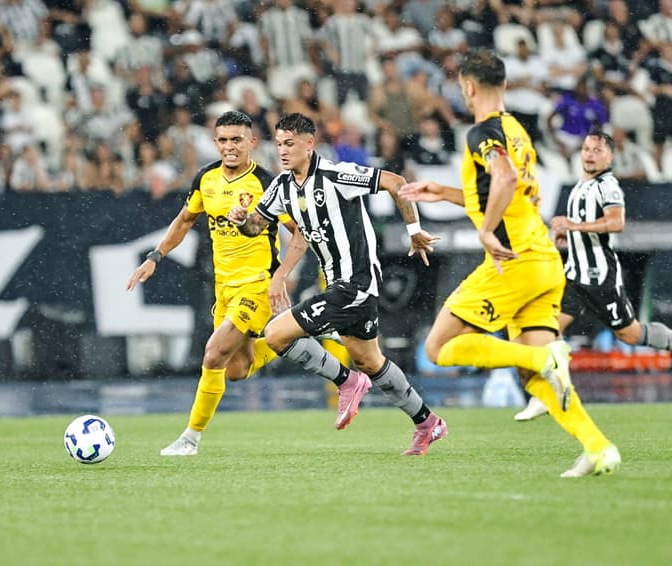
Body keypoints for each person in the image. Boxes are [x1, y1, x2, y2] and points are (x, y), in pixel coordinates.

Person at [398, 49, 621, 477]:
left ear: (468, 86)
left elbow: (504, 179)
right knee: (537, 378)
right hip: (543, 263)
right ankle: (597, 447)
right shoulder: (517, 129)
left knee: (439, 347)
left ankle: (545, 357)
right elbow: (508, 192)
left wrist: (486, 231)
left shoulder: (481, 131)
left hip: (512, 261)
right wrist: (444, 193)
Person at [228, 112, 448, 456]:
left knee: (276, 333)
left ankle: (347, 382)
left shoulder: (335, 174)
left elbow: (394, 180)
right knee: (370, 361)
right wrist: (241, 221)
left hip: (356, 283)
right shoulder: (282, 187)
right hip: (338, 285)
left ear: (309, 144)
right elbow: (258, 224)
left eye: (290, 144)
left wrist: (413, 229)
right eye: (279, 144)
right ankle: (427, 422)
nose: (282, 151)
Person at [126, 111, 307, 456]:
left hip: (256, 285)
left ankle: (189, 438)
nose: (229, 147)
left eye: (236, 139)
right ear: (215, 143)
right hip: (223, 288)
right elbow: (184, 220)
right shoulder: (206, 179)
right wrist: (155, 257)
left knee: (212, 354)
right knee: (237, 370)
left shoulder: (267, 183)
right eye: (223, 140)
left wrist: (282, 276)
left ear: (252, 142)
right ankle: (288, 332)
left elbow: (299, 233)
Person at [515, 130, 672, 421]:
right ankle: (549, 393)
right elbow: (584, 227)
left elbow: (616, 222)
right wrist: (567, 235)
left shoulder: (607, 185)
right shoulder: (580, 186)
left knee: (630, 334)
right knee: (544, 331)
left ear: (610, 157)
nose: (589, 154)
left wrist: (573, 226)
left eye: (597, 150)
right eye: (586, 148)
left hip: (599, 277)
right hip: (575, 276)